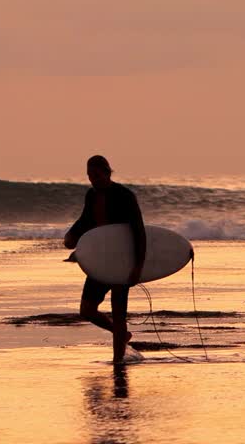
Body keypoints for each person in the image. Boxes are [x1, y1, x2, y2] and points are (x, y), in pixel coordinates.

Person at [63, 154, 146, 364]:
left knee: (119, 314)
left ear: (108, 172)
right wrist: (73, 237)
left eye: (97, 175)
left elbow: (139, 232)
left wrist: (137, 266)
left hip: (121, 262)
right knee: (87, 310)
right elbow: (86, 221)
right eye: (90, 176)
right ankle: (122, 336)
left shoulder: (124, 196)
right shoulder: (91, 195)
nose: (93, 179)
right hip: (100, 262)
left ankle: (118, 360)